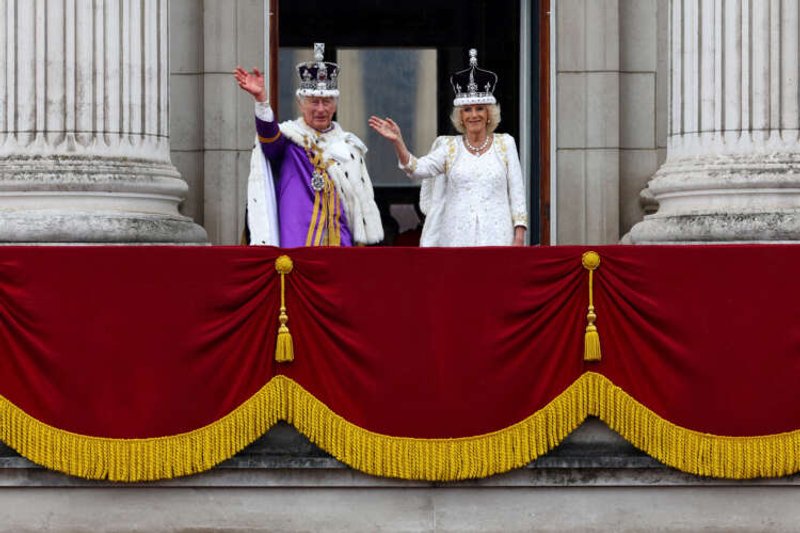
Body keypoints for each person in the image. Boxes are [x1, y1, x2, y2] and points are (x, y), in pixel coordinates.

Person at [369, 49, 527, 247]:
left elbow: (517, 194)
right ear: (461, 116)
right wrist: (398, 142)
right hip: (456, 240)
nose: (474, 115)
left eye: (480, 108)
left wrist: (519, 236)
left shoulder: (505, 144)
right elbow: (416, 168)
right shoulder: (449, 148)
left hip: (498, 238)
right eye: (467, 110)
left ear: (489, 114)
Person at [234, 43, 383, 247]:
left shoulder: (350, 148)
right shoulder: (290, 141)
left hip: (341, 245)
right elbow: (269, 139)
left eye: (327, 101)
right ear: (301, 104)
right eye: (314, 101)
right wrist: (261, 101)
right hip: (297, 246)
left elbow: (358, 206)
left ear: (335, 105)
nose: (320, 109)